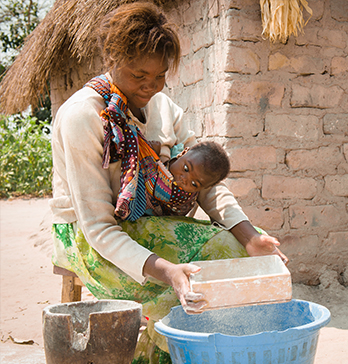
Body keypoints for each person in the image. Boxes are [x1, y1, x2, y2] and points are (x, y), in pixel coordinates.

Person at [49, 2, 287, 363]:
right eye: (138, 74)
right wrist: (168, 271)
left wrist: (250, 236)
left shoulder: (162, 108)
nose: (150, 86)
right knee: (196, 279)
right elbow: (98, 227)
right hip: (91, 239)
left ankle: (168, 349)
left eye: (159, 76)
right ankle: (161, 353)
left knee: (239, 254)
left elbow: (205, 180)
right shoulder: (83, 117)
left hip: (145, 223)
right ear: (112, 57)